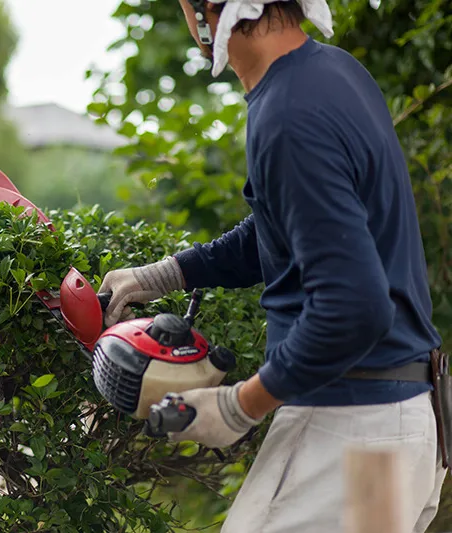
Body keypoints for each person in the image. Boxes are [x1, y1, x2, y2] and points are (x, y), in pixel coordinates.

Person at [97, 0, 448, 531]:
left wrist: (239, 405)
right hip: (395, 429)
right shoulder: (331, 73)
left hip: (349, 435)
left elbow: (356, 307)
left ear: (208, 11)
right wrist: (166, 274)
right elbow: (282, 227)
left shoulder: (289, 114)